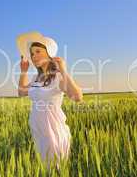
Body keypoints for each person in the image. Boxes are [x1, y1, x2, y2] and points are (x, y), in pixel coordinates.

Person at [17, 32, 83, 171]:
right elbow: (21, 92)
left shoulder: (57, 77)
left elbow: (77, 97)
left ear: (49, 53)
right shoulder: (36, 78)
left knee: (55, 170)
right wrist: (23, 71)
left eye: (38, 51)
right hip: (38, 131)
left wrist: (63, 70)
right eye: (32, 53)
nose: (33, 56)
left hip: (53, 132)